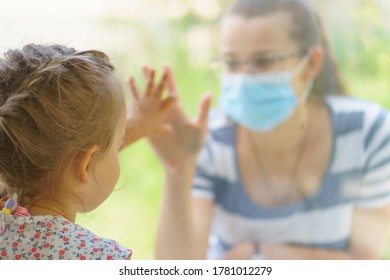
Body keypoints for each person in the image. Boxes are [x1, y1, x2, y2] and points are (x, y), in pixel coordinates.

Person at [149, 0, 390, 259]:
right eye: (231, 63)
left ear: (311, 64)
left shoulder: (368, 132)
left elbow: (363, 262)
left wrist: (260, 254)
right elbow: (176, 269)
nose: (243, 78)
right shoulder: (208, 139)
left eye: (263, 61)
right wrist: (178, 173)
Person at [0, 44, 176, 260]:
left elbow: (62, 151)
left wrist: (136, 125)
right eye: (118, 144)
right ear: (86, 163)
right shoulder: (100, 258)